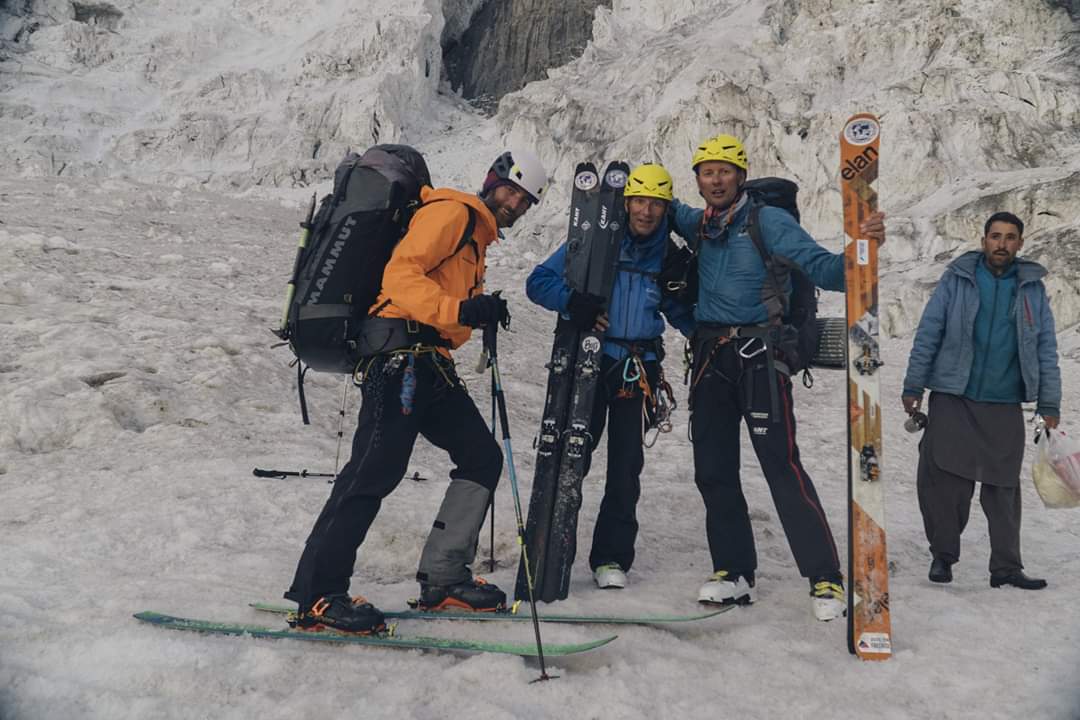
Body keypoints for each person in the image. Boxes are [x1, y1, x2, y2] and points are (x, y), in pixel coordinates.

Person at [284, 149, 549, 633]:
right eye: (511, 189)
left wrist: (474, 310)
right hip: (398, 357)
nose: (515, 202)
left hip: (430, 363)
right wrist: (462, 311)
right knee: (373, 472)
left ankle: (444, 579)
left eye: (525, 199)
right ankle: (317, 595)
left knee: (481, 458)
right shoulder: (453, 212)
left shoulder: (477, 238)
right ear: (491, 181)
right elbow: (400, 278)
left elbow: (442, 300)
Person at [668, 134, 886, 621]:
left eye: (725, 170)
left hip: (759, 358)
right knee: (714, 469)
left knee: (781, 466)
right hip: (709, 358)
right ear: (698, 180)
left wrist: (863, 247)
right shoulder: (696, 223)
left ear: (741, 177)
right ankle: (734, 572)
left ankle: (825, 577)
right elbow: (655, 206)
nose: (716, 179)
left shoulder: (769, 220)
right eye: (708, 171)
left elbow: (825, 269)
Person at [525, 163, 695, 589]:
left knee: (625, 466)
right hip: (588, 363)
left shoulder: (669, 255)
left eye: (656, 204)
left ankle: (611, 559)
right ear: (626, 202)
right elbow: (538, 281)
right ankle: (552, 547)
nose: (647, 211)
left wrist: (712, 335)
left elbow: (679, 312)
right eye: (639, 201)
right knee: (572, 458)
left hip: (636, 369)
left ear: (666, 208)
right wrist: (573, 303)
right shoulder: (596, 240)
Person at [902, 211, 1060, 590]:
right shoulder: (958, 279)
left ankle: (1006, 567)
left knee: (1003, 487)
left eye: (1009, 237)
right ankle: (943, 556)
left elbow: (1045, 348)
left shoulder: (1031, 289)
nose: (1001, 243)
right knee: (944, 480)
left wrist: (1049, 404)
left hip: (1004, 400)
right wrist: (914, 385)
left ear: (1020, 243)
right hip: (954, 395)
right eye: (995, 236)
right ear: (983, 239)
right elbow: (929, 332)